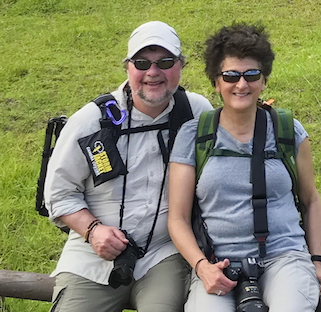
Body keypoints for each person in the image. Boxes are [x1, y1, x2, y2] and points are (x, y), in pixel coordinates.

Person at [45, 21, 214, 312]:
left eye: (165, 61)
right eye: (141, 62)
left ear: (181, 66)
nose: (153, 72)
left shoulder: (197, 113)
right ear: (127, 67)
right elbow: (58, 194)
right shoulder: (92, 120)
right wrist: (93, 230)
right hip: (91, 257)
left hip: (164, 253)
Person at [168, 24, 321, 312]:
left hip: (283, 256)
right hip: (217, 261)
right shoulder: (194, 136)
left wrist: (316, 262)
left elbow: (310, 200)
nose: (241, 84)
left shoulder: (287, 131)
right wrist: (202, 267)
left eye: (251, 75)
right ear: (216, 82)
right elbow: (177, 218)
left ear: (263, 80)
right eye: (231, 75)